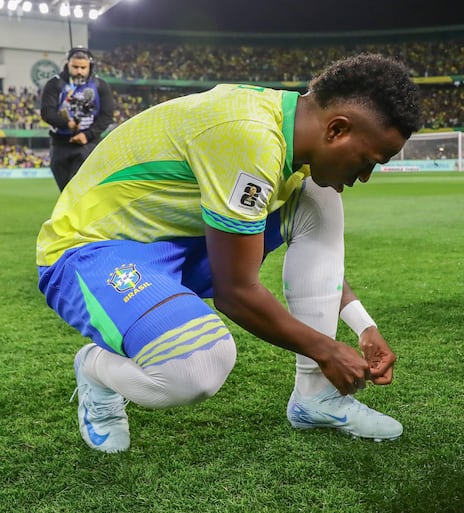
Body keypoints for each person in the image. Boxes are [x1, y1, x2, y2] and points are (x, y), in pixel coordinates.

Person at [36, 53, 421, 452]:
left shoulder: (289, 130)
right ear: (337, 129)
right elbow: (235, 294)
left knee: (318, 196)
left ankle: (315, 398)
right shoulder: (250, 137)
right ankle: (96, 370)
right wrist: (326, 350)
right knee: (199, 366)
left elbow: (315, 261)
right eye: (368, 161)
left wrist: (363, 325)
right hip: (90, 250)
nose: (364, 177)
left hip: (175, 243)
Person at [40, 46, 115, 191]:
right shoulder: (54, 84)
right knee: (66, 191)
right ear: (67, 64)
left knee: (78, 190)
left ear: (90, 66)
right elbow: (47, 112)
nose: (79, 71)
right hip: (59, 144)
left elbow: (107, 115)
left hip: (87, 144)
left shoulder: (101, 86)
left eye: (83, 67)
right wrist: (67, 123)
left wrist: (87, 135)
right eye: (75, 67)